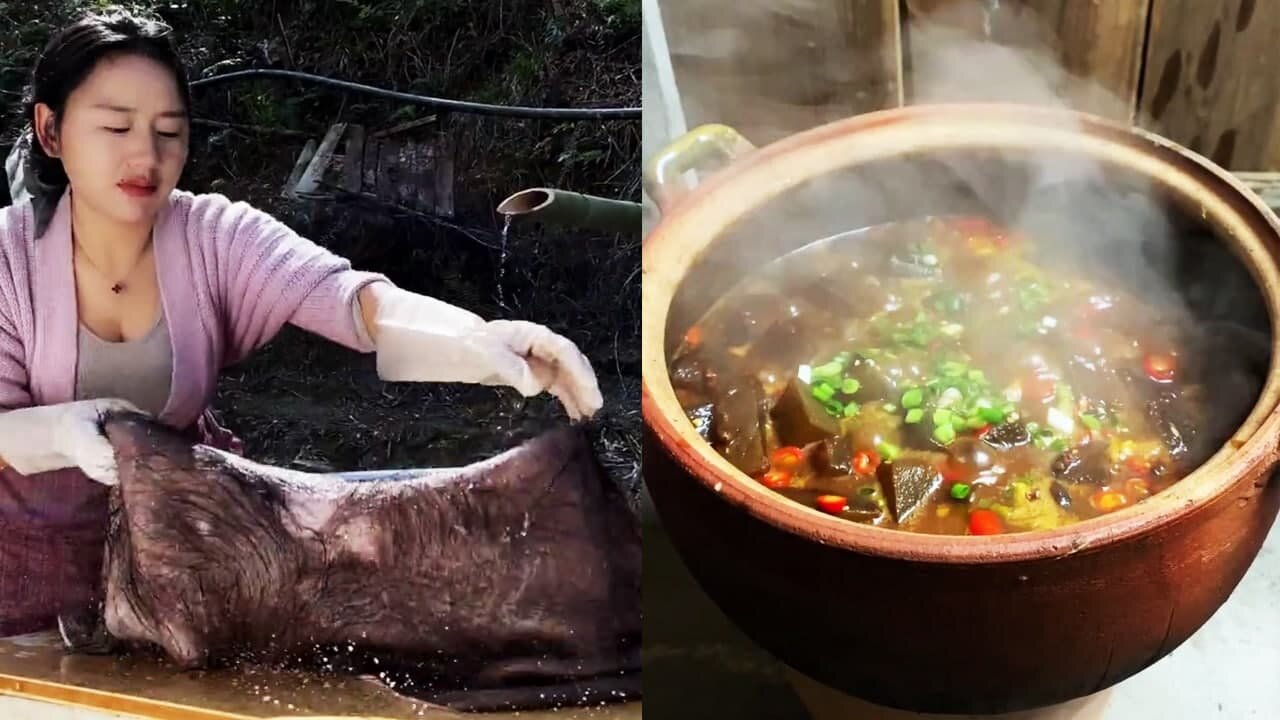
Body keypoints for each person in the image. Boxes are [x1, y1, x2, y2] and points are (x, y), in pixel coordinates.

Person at [0, 8, 602, 636]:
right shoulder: (7, 259)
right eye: (115, 126)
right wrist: (56, 432)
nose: (145, 155)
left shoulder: (216, 235)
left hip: (183, 559)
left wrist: (482, 342)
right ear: (50, 130)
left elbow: (354, 301)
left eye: (169, 132)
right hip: (20, 573)